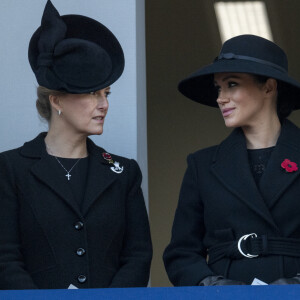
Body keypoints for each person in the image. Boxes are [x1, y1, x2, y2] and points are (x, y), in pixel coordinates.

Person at [0, 0, 152, 289]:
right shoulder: (10, 169)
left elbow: (137, 256)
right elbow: (5, 258)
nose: (104, 104)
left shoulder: (124, 172)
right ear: (56, 100)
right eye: (93, 94)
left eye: (106, 93)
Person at [163, 34, 300, 286]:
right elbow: (181, 254)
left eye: (232, 84)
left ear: (269, 87)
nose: (220, 98)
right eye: (218, 87)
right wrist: (213, 285)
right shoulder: (201, 166)